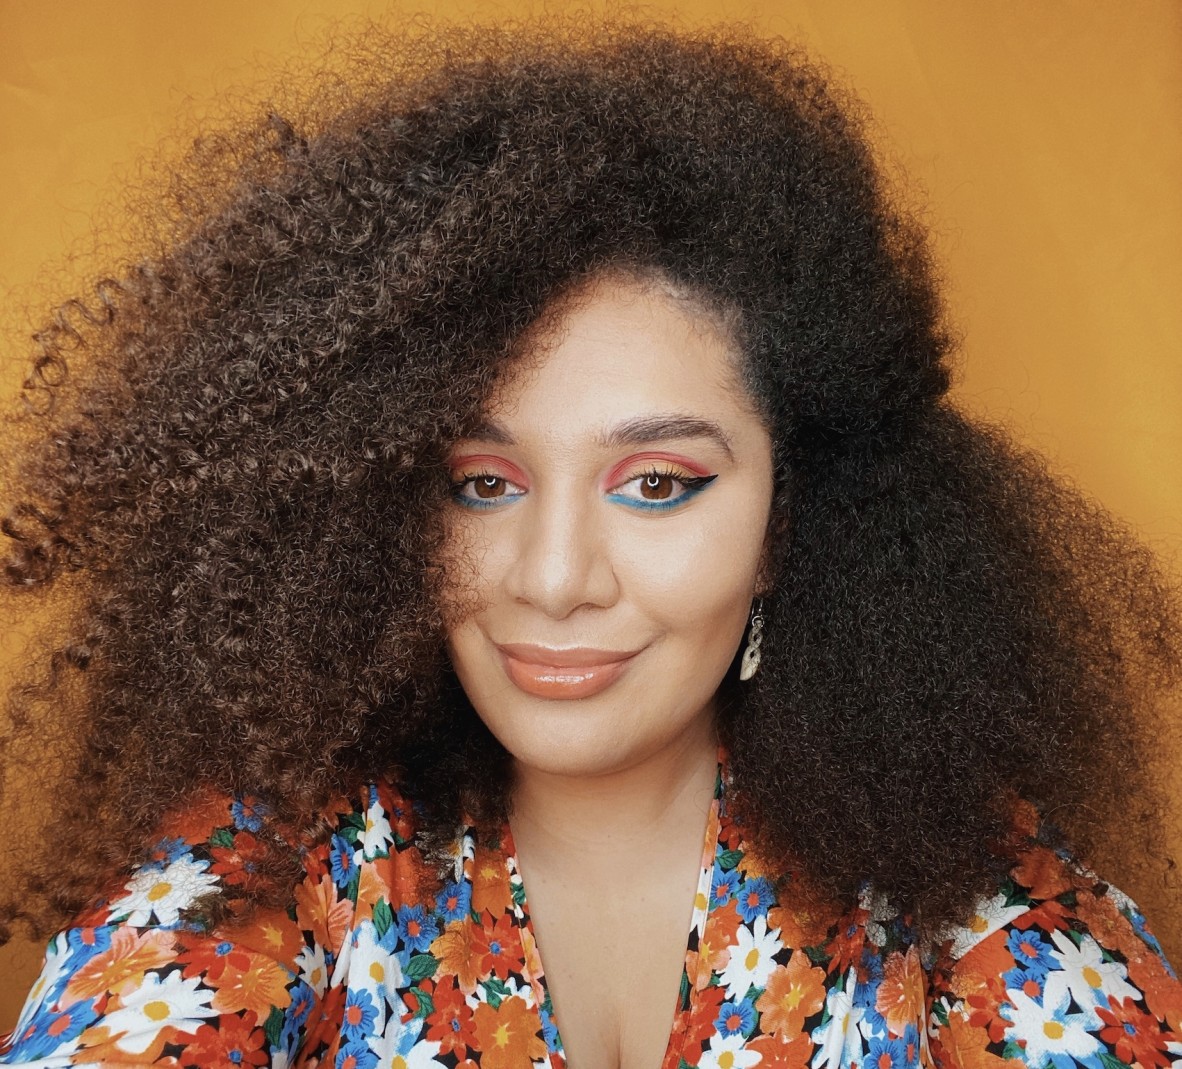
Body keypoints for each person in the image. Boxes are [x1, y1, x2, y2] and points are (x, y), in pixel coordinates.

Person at [0, 20, 1180, 1069]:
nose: (554, 578)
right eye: (481, 482)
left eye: (658, 483)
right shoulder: (274, 867)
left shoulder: (967, 907)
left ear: (789, 523)